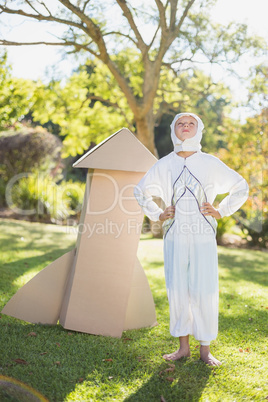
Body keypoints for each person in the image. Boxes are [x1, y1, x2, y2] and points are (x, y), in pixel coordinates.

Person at [134, 112, 249, 366]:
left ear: (199, 130)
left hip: (203, 237)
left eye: (191, 123)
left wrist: (221, 210)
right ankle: (183, 348)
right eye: (180, 123)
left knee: (204, 288)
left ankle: (205, 350)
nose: (185, 127)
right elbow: (140, 190)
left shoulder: (209, 162)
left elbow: (241, 186)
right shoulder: (165, 164)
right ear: (174, 130)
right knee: (178, 289)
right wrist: (158, 214)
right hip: (174, 236)